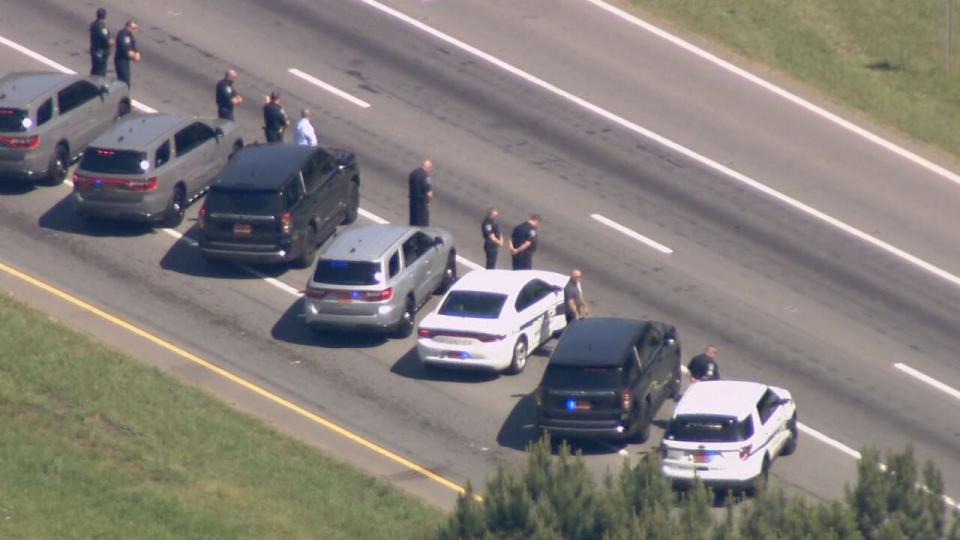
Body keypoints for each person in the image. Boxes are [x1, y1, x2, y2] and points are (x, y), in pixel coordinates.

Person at [113, 20, 140, 86]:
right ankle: (122, 95)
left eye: (136, 29)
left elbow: (133, 46)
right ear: (128, 27)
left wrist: (137, 53)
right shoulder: (122, 34)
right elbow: (124, 47)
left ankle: (124, 94)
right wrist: (131, 54)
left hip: (126, 60)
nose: (135, 30)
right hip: (120, 60)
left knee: (126, 80)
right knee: (124, 80)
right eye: (133, 28)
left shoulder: (130, 35)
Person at [408, 160, 433, 226]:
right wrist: (428, 200)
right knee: (423, 224)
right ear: (428, 168)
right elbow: (429, 194)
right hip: (422, 203)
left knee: (413, 221)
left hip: (413, 201)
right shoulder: (426, 177)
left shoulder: (413, 173)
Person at [88, 8, 112, 76]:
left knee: (95, 70)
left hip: (95, 50)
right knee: (100, 72)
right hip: (100, 52)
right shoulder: (101, 26)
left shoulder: (94, 24)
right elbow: (106, 39)